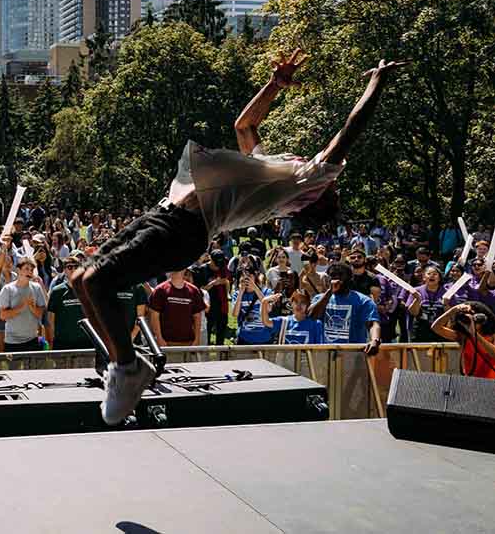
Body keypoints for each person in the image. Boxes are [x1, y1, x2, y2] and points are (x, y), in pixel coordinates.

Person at [70, 54, 405, 423]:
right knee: (79, 278)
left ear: (318, 196)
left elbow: (350, 130)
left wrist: (376, 82)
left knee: (98, 280)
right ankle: (126, 362)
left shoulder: (307, 181)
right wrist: (275, 84)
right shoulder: (270, 173)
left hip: (182, 230)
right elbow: (245, 125)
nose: (333, 180)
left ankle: (127, 367)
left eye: (333, 188)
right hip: (162, 214)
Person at [309, 263, 381, 351]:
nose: (336, 279)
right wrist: (329, 292)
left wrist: (375, 340)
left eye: (340, 276)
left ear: (350, 279)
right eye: (332, 276)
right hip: (326, 354)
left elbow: (373, 324)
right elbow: (312, 316)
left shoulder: (363, 301)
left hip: (353, 354)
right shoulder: (320, 299)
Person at [431, 301, 495, 379]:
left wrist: (475, 334)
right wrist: (453, 310)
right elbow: (436, 328)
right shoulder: (464, 337)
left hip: (491, 383)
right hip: (471, 383)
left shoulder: (492, 336)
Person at [0, 256, 46, 352]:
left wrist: (32, 307)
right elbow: (3, 316)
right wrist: (22, 307)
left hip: (32, 340)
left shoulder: (37, 288)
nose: (30, 272)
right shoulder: (8, 289)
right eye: (27, 269)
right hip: (12, 342)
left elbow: (40, 314)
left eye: (32, 270)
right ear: (18, 270)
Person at [260, 289, 325, 344]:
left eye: (303, 302)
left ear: (308, 304)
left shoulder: (316, 324)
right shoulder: (284, 321)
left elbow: (319, 350)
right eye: (296, 302)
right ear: (291, 303)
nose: (298, 305)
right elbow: (266, 322)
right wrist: (264, 302)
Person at [231, 271, 274, 345]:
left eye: (249, 276)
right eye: (244, 277)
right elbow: (235, 314)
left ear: (255, 277)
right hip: (244, 338)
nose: (247, 280)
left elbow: (269, 309)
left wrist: (255, 288)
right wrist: (241, 292)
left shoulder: (266, 291)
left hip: (264, 337)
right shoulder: (237, 294)